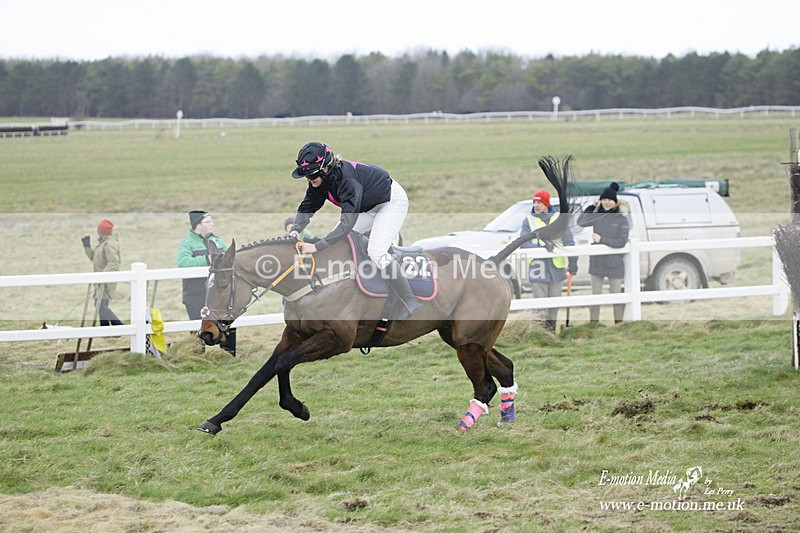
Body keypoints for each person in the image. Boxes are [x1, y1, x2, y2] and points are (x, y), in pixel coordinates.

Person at [286, 141, 422, 319]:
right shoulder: (321, 180)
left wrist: (317, 247)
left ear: (326, 169)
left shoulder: (347, 181)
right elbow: (309, 205)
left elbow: (346, 225)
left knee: (376, 252)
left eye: (312, 177)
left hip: (390, 203)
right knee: (340, 244)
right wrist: (296, 229)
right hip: (367, 205)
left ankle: (409, 299)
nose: (310, 181)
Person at [177, 210, 236, 356]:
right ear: (198, 225)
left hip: (217, 293)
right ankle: (197, 356)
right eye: (208, 221)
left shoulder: (217, 241)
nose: (212, 224)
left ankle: (228, 355)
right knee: (197, 325)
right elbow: (183, 263)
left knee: (225, 322)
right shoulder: (186, 244)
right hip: (195, 293)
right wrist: (207, 260)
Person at [520, 189, 577, 332]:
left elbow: (569, 241)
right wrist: (540, 246)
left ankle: (551, 333)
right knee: (540, 305)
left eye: (539, 202)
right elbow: (523, 242)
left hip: (556, 269)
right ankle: (540, 334)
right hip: (537, 269)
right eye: (535, 202)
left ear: (546, 204)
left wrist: (573, 261)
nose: (536, 205)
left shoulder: (558, 219)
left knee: (554, 305)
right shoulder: (528, 221)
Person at [577, 182, 630, 323]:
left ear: (615, 202)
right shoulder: (597, 215)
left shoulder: (621, 219)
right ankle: (594, 324)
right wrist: (592, 207)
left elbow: (621, 241)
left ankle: (619, 324)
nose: (607, 202)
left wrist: (602, 239)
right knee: (596, 295)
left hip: (615, 264)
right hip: (597, 262)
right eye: (604, 199)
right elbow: (581, 222)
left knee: (616, 295)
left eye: (610, 200)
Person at [82, 219, 123, 326]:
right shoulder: (103, 243)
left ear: (101, 231)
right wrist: (87, 246)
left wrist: (103, 277)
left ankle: (119, 326)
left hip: (106, 280)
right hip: (101, 279)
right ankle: (107, 331)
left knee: (100, 306)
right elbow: (93, 258)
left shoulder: (109, 244)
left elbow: (114, 263)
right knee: (99, 305)